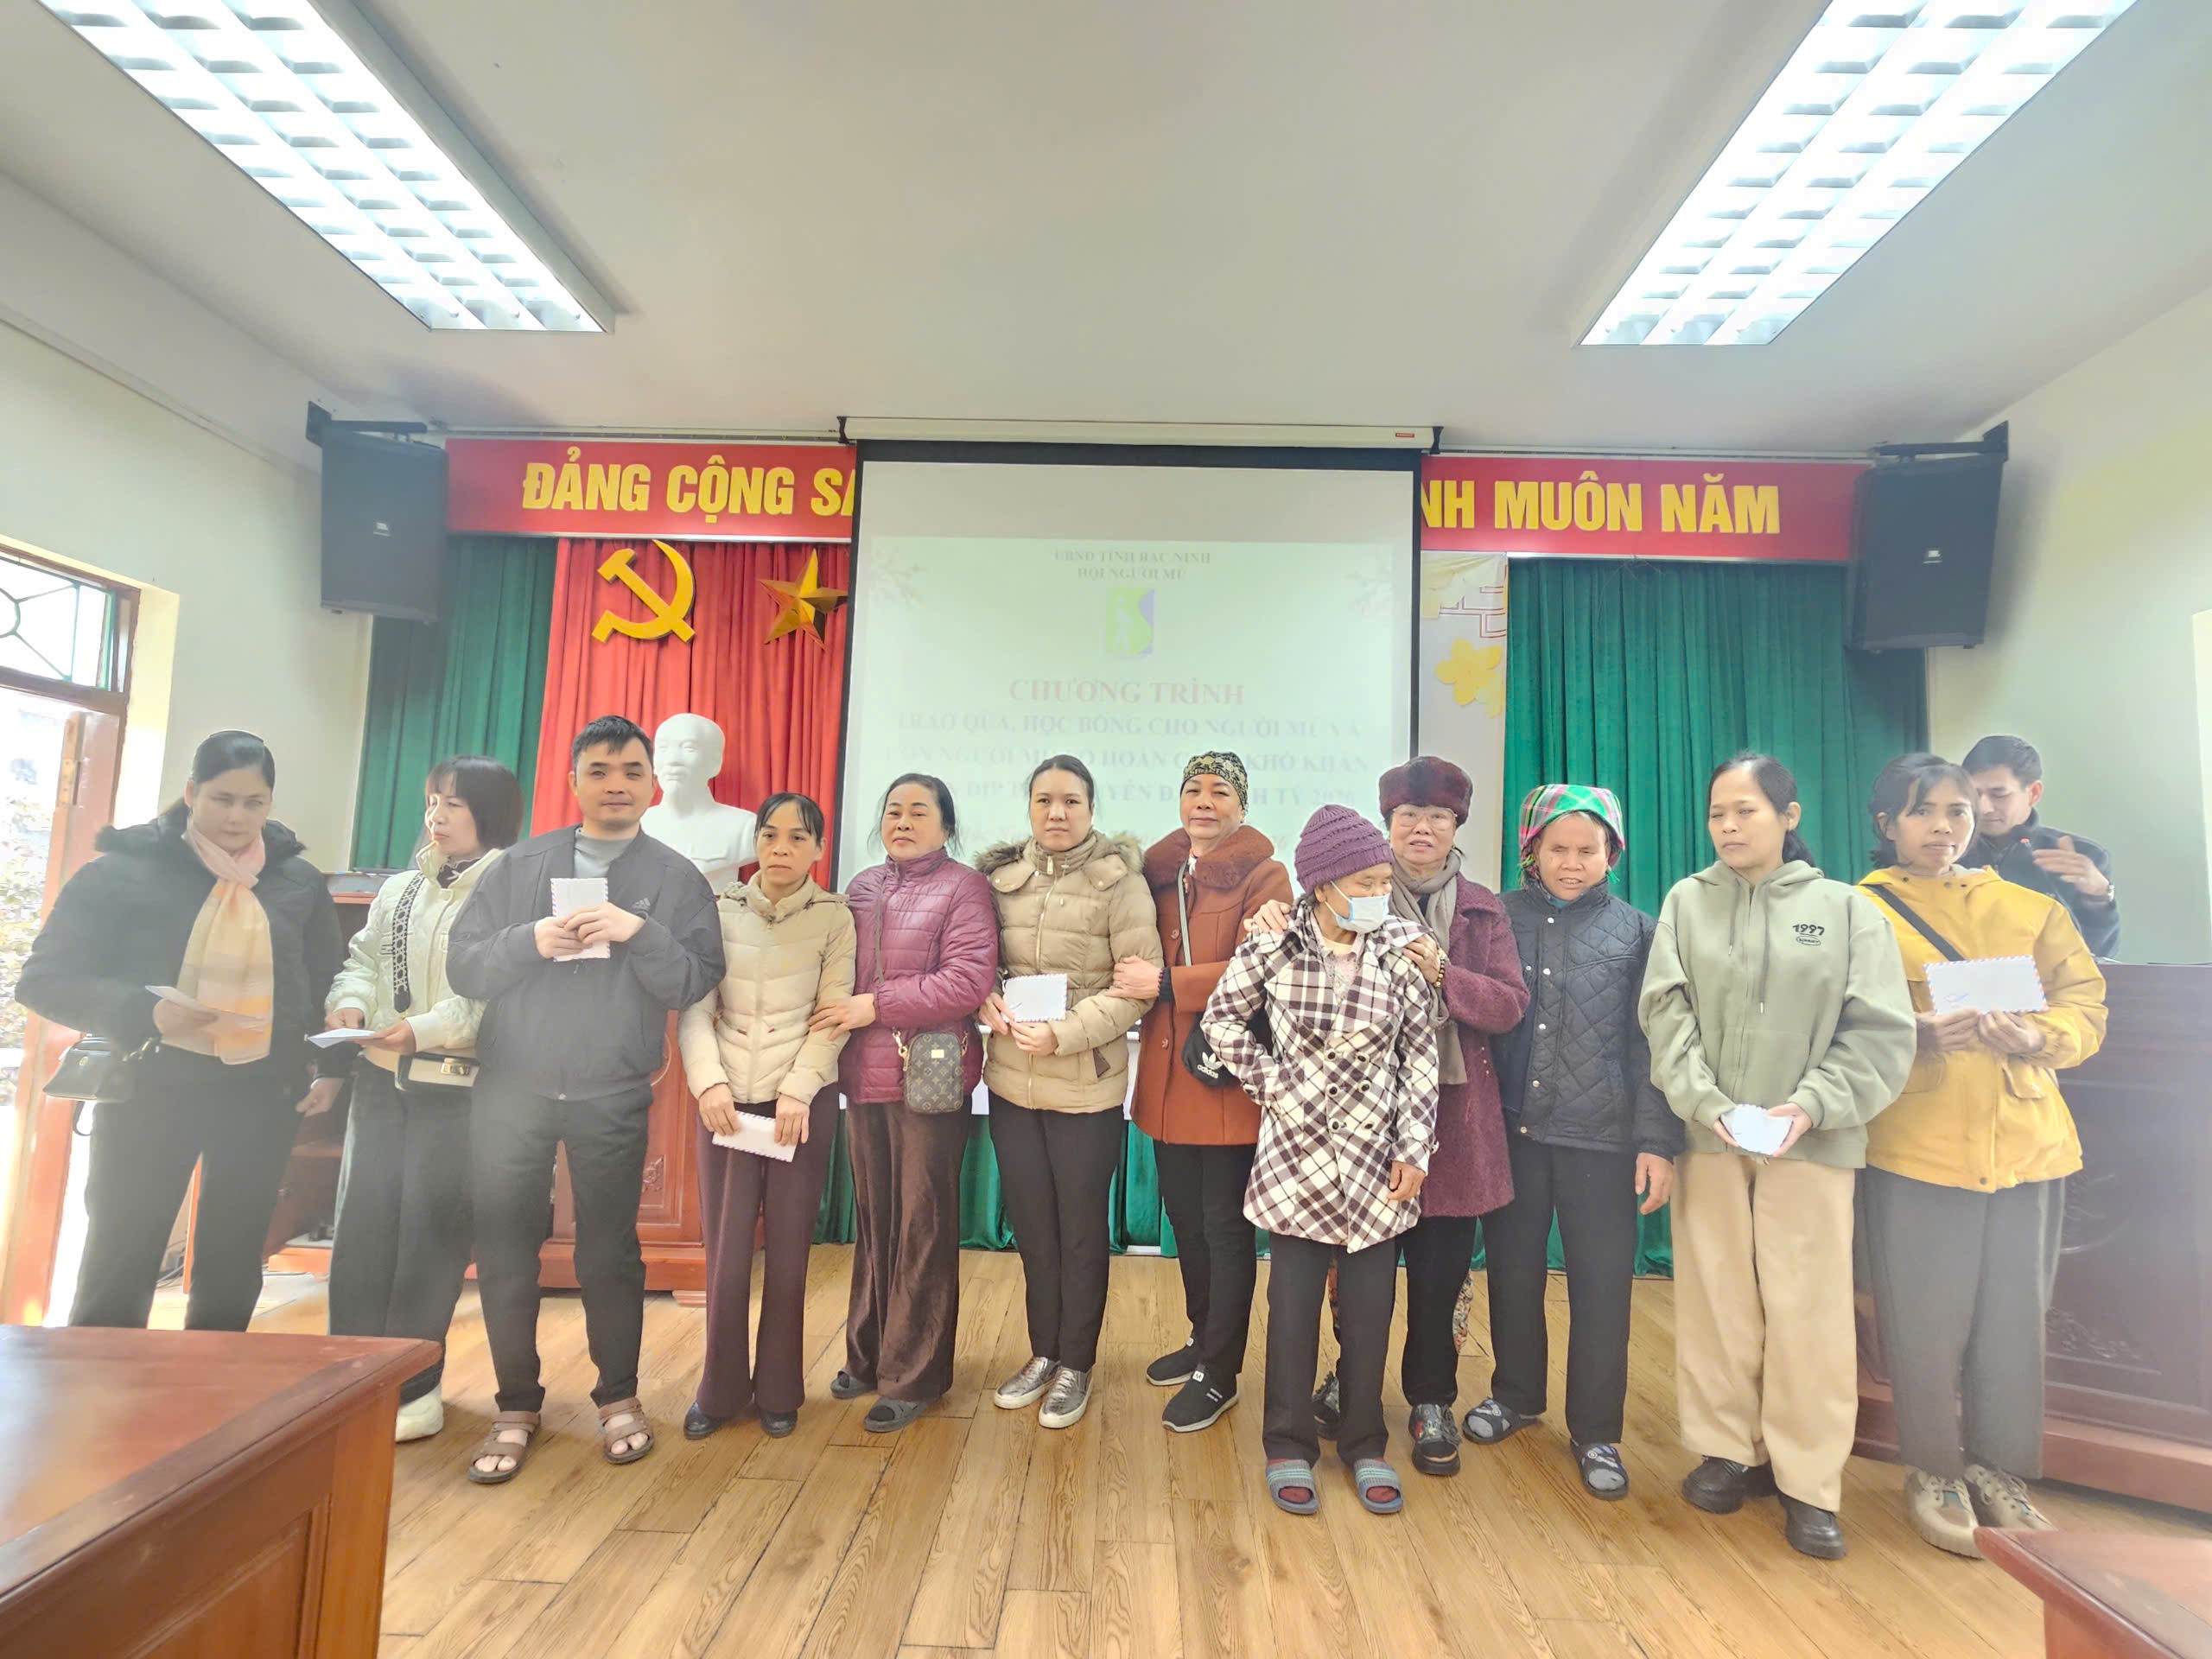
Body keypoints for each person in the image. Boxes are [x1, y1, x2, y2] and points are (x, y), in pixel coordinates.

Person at [1639, 753, 1916, 1560]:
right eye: (1717, 813)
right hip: (1712, 1137)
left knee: (1808, 1310)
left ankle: (1808, 1481)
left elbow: (1879, 1029)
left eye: (1746, 811)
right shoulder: (1687, 902)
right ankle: (1728, 1451)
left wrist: (1814, 1105)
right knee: (1717, 1298)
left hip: (1814, 1142)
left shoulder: (1848, 910)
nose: (1728, 826)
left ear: (1789, 817)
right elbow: (1664, 1014)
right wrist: (1708, 1104)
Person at [448, 715, 724, 1483]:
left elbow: (694, 979)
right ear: (572, 782)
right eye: (599, 771)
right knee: (506, 1246)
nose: (616, 785)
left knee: (610, 1251)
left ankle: (618, 1397)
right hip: (513, 1089)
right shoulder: (517, 867)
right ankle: (515, 1404)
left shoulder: (675, 877)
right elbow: (465, 965)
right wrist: (529, 940)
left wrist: (640, 931)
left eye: (631, 772)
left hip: (612, 1091)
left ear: (652, 785)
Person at [1857, 753, 2107, 1556]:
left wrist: (2039, 1036)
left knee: (2013, 1320)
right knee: (1924, 1322)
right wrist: (1914, 1032)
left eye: (1957, 811)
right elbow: (1835, 1014)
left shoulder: (2032, 909)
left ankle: (2000, 1470)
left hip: (2030, 1143)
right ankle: (1933, 1470)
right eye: (1922, 811)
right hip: (1918, 1143)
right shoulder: (1860, 911)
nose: (1943, 827)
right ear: (1887, 823)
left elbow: (2085, 1002)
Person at [19, 730, 344, 1331]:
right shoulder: (123, 871)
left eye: (253, 802)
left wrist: (332, 1067)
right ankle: (99, 1379)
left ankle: (212, 1382)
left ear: (270, 803)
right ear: (191, 793)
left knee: (234, 1262)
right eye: (222, 799)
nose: (236, 817)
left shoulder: (296, 881)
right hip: (150, 1087)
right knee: (121, 1255)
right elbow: (43, 981)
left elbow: (328, 979)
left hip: (260, 1091)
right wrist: (145, 1012)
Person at [1285, 758, 1528, 1477]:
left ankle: (1431, 1399)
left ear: (1457, 825)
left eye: (1438, 816)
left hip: (1455, 1120)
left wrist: (1443, 975)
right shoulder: (1352, 894)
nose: (1423, 828)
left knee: (1440, 1272)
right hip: (1358, 1115)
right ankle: (1351, 1381)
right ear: (1387, 824)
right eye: (1408, 816)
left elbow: (1509, 1006)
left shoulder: (1483, 908)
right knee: (1357, 1271)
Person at [1204, 805, 1440, 1516]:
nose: (1378, 894)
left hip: (1377, 1162)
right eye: (1365, 883)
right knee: (1293, 1312)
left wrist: (1415, 1150)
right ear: (1323, 885)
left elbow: (1420, 1059)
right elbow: (1220, 1020)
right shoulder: (1272, 946)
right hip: (1296, 1158)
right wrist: (1274, 1084)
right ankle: (1287, 1443)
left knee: (1369, 1315)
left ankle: (1366, 1442)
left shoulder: (1401, 950)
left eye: (1383, 882)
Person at [1459, 785, 1679, 1499]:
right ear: (1533, 851)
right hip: (1514, 1133)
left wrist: (1656, 1142)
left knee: (1602, 1288)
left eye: (1589, 850)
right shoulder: (1497, 918)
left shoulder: (1639, 933)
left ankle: (1597, 1431)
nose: (1573, 862)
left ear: (1612, 854)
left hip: (1602, 1143)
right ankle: (1516, 1395)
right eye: (1558, 849)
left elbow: (1652, 1047)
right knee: (1513, 1273)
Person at [325, 755, 522, 1443]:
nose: (437, 816)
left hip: (457, 1090)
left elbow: (500, 994)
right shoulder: (400, 887)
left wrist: (425, 1031)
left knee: (429, 1241)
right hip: (379, 1081)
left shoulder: (513, 892)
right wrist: (350, 1005)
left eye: (454, 804)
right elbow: (362, 961)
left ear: (490, 813)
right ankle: (346, 1377)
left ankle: (414, 1389)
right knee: (362, 1232)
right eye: (433, 801)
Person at [977, 755, 1163, 1431]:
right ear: (1029, 806)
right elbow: (975, 962)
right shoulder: (1000, 880)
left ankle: (1076, 1364)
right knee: (1032, 1227)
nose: (1056, 813)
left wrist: (1064, 1035)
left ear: (1090, 807)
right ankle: (1044, 1353)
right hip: (1010, 1083)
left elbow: (1136, 989)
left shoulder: (1120, 882)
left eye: (1071, 801)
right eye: (1044, 800)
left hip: (1086, 1085)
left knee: (1081, 1232)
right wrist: (984, 998)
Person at [1114, 751, 1292, 1433]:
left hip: (1222, 1083)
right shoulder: (1156, 876)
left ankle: (1221, 1372)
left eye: (1221, 792)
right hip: (1165, 1083)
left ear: (1242, 806)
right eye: (1194, 789)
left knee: (1225, 1232)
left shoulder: (1265, 876)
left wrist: (1168, 985)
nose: (1205, 802)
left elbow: (1266, 964)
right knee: (1185, 1224)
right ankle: (1201, 1337)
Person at [818, 774, 998, 1434]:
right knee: (875, 1222)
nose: (902, 821)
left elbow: (968, 981)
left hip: (930, 1078)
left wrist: (877, 1004)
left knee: (922, 1226)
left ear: (946, 826)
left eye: (919, 812)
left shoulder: (964, 887)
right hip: (862, 1075)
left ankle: (914, 1374)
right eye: (893, 810)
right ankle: (867, 1356)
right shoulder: (862, 887)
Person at [677, 792, 855, 1441]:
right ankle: (718, 1391)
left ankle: (780, 1390)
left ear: (819, 849)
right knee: (725, 1257)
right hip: (727, 1103)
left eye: (798, 837)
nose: (781, 848)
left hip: (798, 1107)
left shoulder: (836, 918)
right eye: (771, 835)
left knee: (787, 1252)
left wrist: (799, 1090)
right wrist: (708, 1085)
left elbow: (834, 1013)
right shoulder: (717, 910)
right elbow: (695, 1010)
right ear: (756, 842)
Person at [1959, 735, 2119, 959]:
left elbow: (2098, 957)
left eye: (1999, 794)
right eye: (1974, 795)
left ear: (2033, 793)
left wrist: (2098, 898)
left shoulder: (2082, 855)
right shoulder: (1949, 851)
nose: (1984, 808)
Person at [640, 712, 757, 888]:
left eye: (689, 748)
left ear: (715, 762)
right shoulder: (636, 825)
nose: (672, 760)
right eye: (663, 748)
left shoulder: (745, 827)